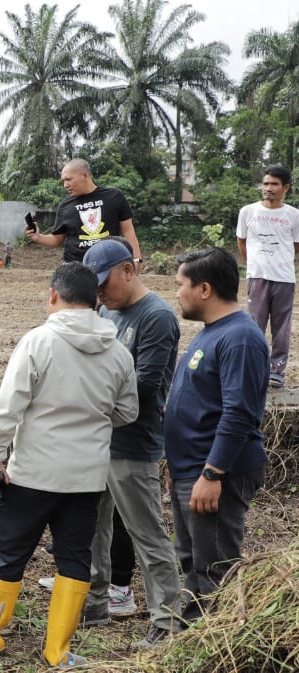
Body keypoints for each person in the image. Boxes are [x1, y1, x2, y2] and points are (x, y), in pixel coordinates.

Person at [0, 262, 137, 668]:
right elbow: (127, 411)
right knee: (74, 557)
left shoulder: (39, 341)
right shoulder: (118, 350)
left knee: (10, 554)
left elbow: (9, 406)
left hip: (32, 473)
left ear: (54, 294)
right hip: (86, 477)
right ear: (94, 300)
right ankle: (59, 650)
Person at [79, 239, 183, 646]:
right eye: (96, 289)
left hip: (133, 441)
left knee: (146, 533)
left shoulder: (156, 316)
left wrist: (88, 395)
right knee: (92, 527)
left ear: (128, 270)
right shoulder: (108, 310)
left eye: (105, 284)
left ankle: (168, 617)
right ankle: (93, 603)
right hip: (101, 437)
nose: (101, 295)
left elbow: (145, 385)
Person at [165, 247, 269, 626]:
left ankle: (205, 644)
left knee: (213, 569)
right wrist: (179, 466)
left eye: (181, 285)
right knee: (192, 560)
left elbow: (239, 413)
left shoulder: (240, 338)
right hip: (191, 470)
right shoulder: (214, 332)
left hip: (213, 475)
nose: (177, 292)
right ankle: (189, 640)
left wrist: (212, 474)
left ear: (204, 289)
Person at [235, 165, 299, 389]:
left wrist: (279, 260)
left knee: (281, 327)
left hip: (284, 278)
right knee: (254, 326)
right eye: (265, 184)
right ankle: (255, 368)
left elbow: (296, 245)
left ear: (286, 188)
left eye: (274, 184)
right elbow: (242, 242)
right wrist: (254, 264)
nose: (268, 188)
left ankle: (277, 370)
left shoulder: (293, 215)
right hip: (257, 277)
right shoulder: (248, 212)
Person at [27, 158, 142, 264]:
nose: (65, 185)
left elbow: (128, 233)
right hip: (74, 268)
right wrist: (39, 237)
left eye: (68, 179)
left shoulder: (114, 197)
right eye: (63, 181)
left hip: (109, 266)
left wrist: (136, 260)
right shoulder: (65, 205)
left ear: (85, 175)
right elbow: (57, 239)